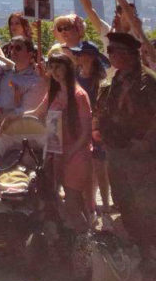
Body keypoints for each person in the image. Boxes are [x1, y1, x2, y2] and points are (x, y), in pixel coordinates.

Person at [94, 31, 156, 263]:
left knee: (145, 203)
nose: (109, 54)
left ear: (128, 53)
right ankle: (137, 247)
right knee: (122, 198)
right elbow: (104, 109)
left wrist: (146, 142)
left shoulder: (148, 81)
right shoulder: (115, 80)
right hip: (116, 149)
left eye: (113, 50)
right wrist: (99, 128)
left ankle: (149, 251)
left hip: (141, 153)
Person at [26, 52, 92, 229]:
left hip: (77, 154)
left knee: (71, 201)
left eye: (58, 67)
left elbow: (86, 133)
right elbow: (36, 113)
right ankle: (83, 234)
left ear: (68, 69)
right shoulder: (54, 93)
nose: (54, 71)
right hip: (56, 152)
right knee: (68, 200)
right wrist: (10, 119)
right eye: (51, 67)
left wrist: (70, 152)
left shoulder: (79, 95)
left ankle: (84, 239)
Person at [70, 40, 111, 211]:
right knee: (86, 167)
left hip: (96, 128)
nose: (76, 56)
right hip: (79, 126)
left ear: (90, 57)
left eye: (79, 53)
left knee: (100, 167)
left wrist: (96, 125)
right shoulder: (75, 77)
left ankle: (106, 204)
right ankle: (90, 203)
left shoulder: (101, 82)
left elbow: (103, 106)